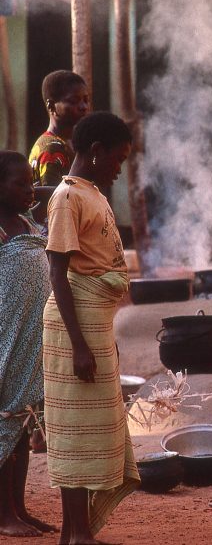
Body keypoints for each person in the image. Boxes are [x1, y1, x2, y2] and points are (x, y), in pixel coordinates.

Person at [43, 112, 138, 545]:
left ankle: (74, 532)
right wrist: (79, 345)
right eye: (118, 158)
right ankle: (79, 533)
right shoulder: (67, 197)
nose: (119, 168)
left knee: (92, 428)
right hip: (73, 327)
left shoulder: (91, 193)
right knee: (75, 432)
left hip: (92, 324)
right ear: (96, 152)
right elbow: (58, 273)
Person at [0, 151, 56, 537]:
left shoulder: (27, 222)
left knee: (22, 425)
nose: (29, 190)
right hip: (6, 340)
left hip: (31, 342)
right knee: (5, 424)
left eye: (31, 182)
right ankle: (4, 514)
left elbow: (50, 191)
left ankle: (18, 508)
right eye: (20, 183)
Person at [28, 70, 89, 225]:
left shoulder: (70, 144)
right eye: (74, 101)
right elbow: (55, 200)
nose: (83, 107)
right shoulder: (51, 148)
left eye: (86, 100)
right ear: (51, 106)